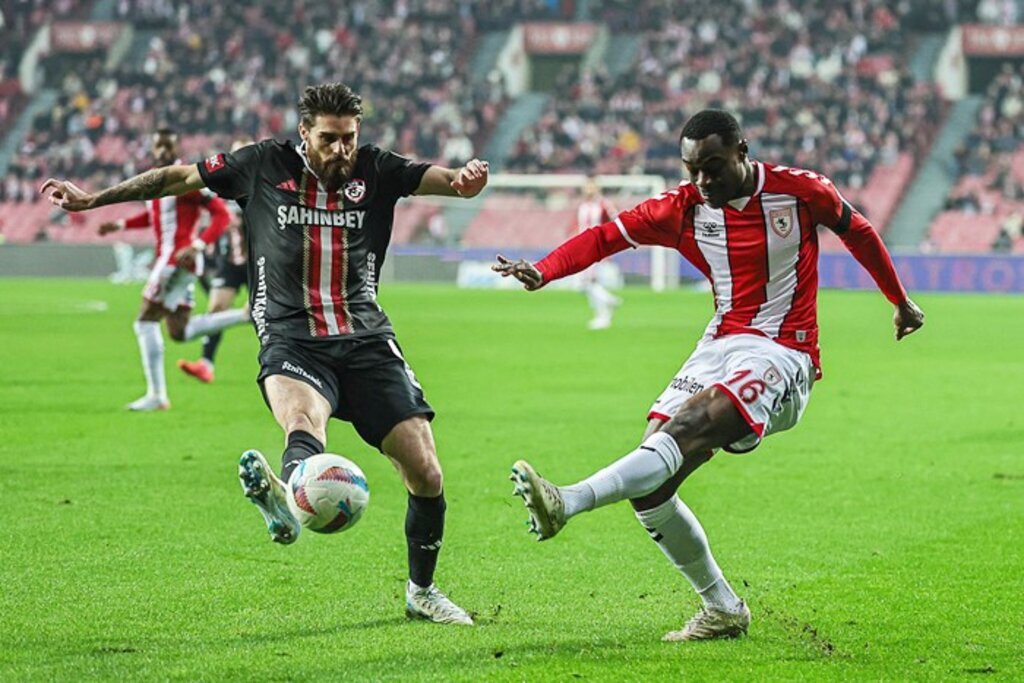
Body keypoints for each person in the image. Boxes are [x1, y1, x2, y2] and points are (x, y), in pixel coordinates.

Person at [42, 82, 489, 626]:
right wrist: (94, 199)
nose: (342, 149)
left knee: (427, 472)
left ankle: (422, 591)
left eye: (349, 138)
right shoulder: (261, 165)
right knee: (303, 421)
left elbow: (445, 180)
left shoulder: (377, 169)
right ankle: (286, 494)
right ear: (304, 133)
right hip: (290, 335)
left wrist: (465, 180)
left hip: (367, 338)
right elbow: (178, 177)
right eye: (329, 139)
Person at [493, 110, 924, 642]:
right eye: (692, 169)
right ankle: (722, 607)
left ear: (742, 151)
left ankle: (568, 500)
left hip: (784, 352)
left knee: (688, 427)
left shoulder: (800, 192)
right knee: (651, 481)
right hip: (718, 344)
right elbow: (605, 237)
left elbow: (858, 232)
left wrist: (899, 300)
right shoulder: (682, 209)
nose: (703, 180)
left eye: (713, 167)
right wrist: (545, 269)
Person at [95, 127, 250, 411]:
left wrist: (199, 244)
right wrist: (120, 224)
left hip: (175, 260)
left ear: (178, 148)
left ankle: (156, 395)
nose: (163, 151)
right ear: (153, 149)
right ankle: (244, 315)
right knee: (179, 330)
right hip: (176, 261)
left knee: (145, 321)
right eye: (159, 146)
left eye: (169, 146)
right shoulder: (157, 179)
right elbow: (153, 216)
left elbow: (222, 214)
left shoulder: (186, 178)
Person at [178, 139, 254, 384]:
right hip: (229, 261)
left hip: (258, 262)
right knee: (216, 308)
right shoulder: (220, 184)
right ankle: (206, 364)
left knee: (267, 316)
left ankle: (287, 364)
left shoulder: (262, 183)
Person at [576, 175, 621, 329]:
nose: (589, 189)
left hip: (597, 247)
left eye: (592, 186)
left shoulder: (604, 204)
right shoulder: (583, 206)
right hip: (583, 247)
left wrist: (608, 241)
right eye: (587, 186)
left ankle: (607, 304)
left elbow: (617, 222)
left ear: (597, 188)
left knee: (587, 283)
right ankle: (605, 310)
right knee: (588, 283)